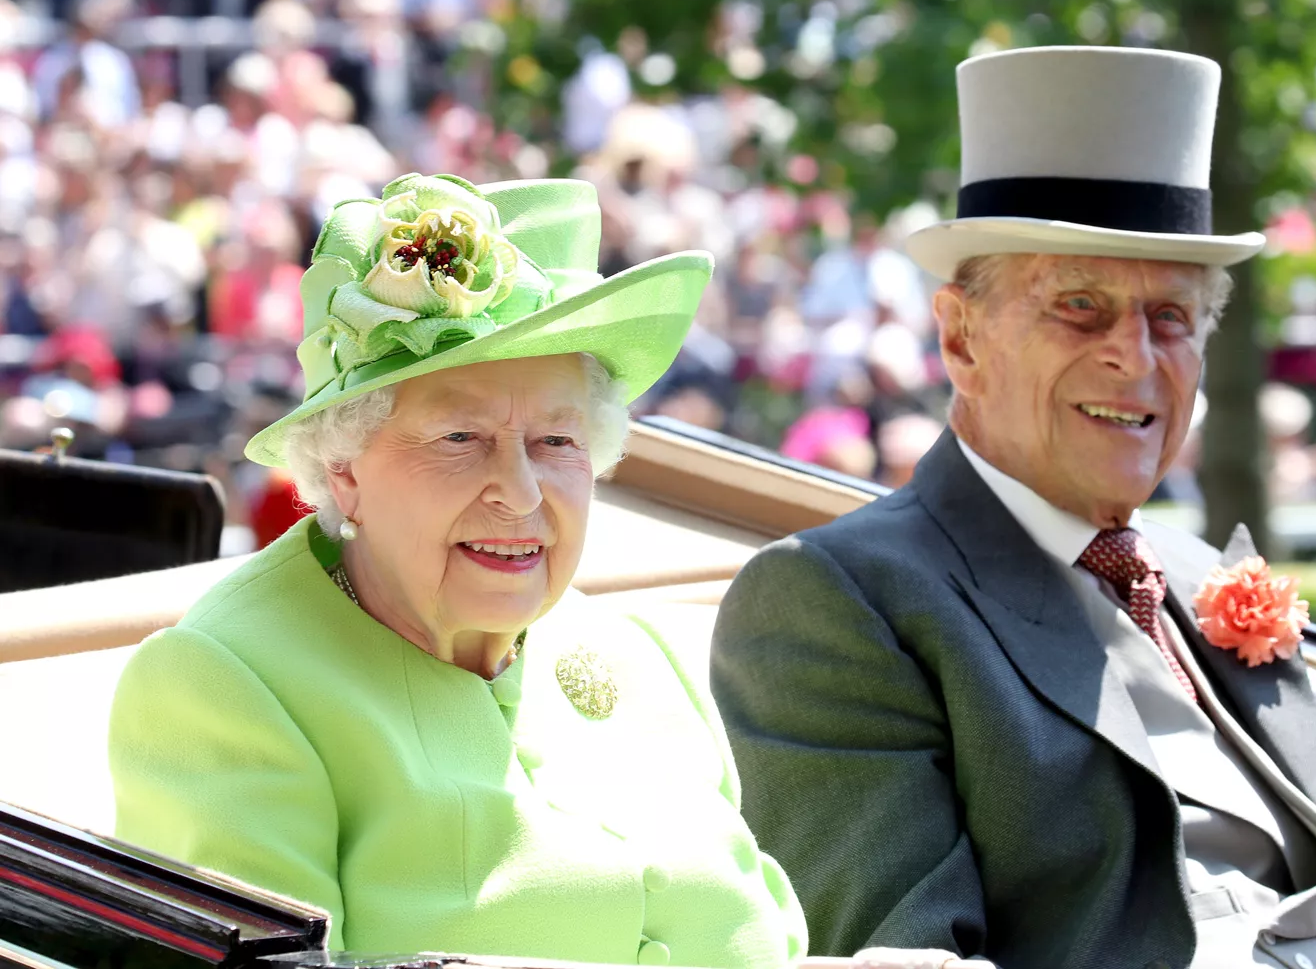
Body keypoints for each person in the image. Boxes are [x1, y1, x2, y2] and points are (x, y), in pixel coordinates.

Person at [711, 47, 1316, 969]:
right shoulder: (837, 600)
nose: (1136, 355)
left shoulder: (1200, 573)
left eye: (1171, 316)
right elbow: (907, 952)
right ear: (961, 340)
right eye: (1080, 307)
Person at [108, 173, 806, 965]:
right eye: (459, 439)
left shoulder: (638, 655)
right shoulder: (224, 687)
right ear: (344, 471)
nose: (520, 492)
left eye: (556, 442)